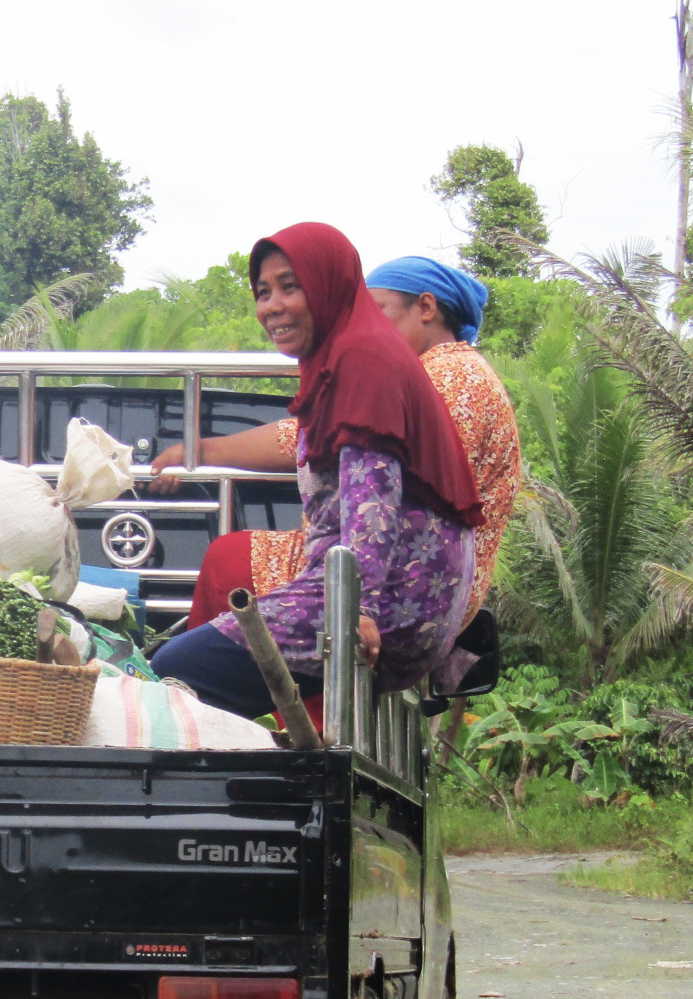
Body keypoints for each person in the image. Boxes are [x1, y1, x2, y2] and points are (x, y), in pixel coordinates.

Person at [149, 224, 481, 717]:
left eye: (290, 286)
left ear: (328, 285)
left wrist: (358, 608)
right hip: (370, 593)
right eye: (263, 293)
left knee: (175, 668)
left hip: (386, 603)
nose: (272, 306)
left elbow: (373, 502)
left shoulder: (364, 359)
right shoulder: (340, 361)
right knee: (192, 666)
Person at [154, 255, 521, 635]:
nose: (369, 330)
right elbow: (309, 436)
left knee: (228, 563)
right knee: (232, 556)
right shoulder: (445, 372)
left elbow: (348, 455)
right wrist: (200, 453)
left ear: (426, 308)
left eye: (379, 314)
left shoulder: (449, 378)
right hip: (410, 572)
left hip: (407, 585)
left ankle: (213, 686)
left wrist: (201, 452)